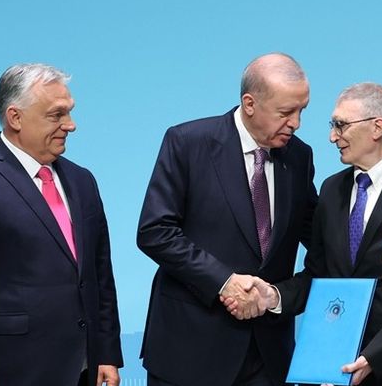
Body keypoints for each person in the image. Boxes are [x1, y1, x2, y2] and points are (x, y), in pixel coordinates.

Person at [230, 82, 382, 386]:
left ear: (377, 127)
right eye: (333, 125)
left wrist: (374, 357)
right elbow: (317, 275)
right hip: (331, 369)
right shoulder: (331, 189)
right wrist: (273, 296)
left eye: (341, 125)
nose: (332, 136)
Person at [0, 64, 123, 386]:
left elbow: (99, 274)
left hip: (80, 370)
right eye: (56, 115)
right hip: (4, 372)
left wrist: (106, 352)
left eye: (69, 112)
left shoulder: (82, 180)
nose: (70, 125)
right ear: (15, 117)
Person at [136, 53, 318, 386]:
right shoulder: (188, 142)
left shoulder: (299, 156)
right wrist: (224, 281)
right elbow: (155, 231)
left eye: (301, 110)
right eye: (285, 112)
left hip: (268, 356)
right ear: (250, 104)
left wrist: (278, 296)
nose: (296, 123)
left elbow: (319, 239)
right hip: (189, 351)